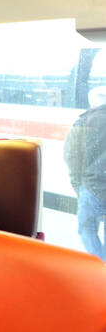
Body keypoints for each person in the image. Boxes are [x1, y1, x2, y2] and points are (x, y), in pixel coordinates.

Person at [64, 86, 106, 260]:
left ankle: (100, 266)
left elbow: (72, 157)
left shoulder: (84, 122)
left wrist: (78, 185)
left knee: (87, 229)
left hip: (91, 187)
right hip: (93, 185)